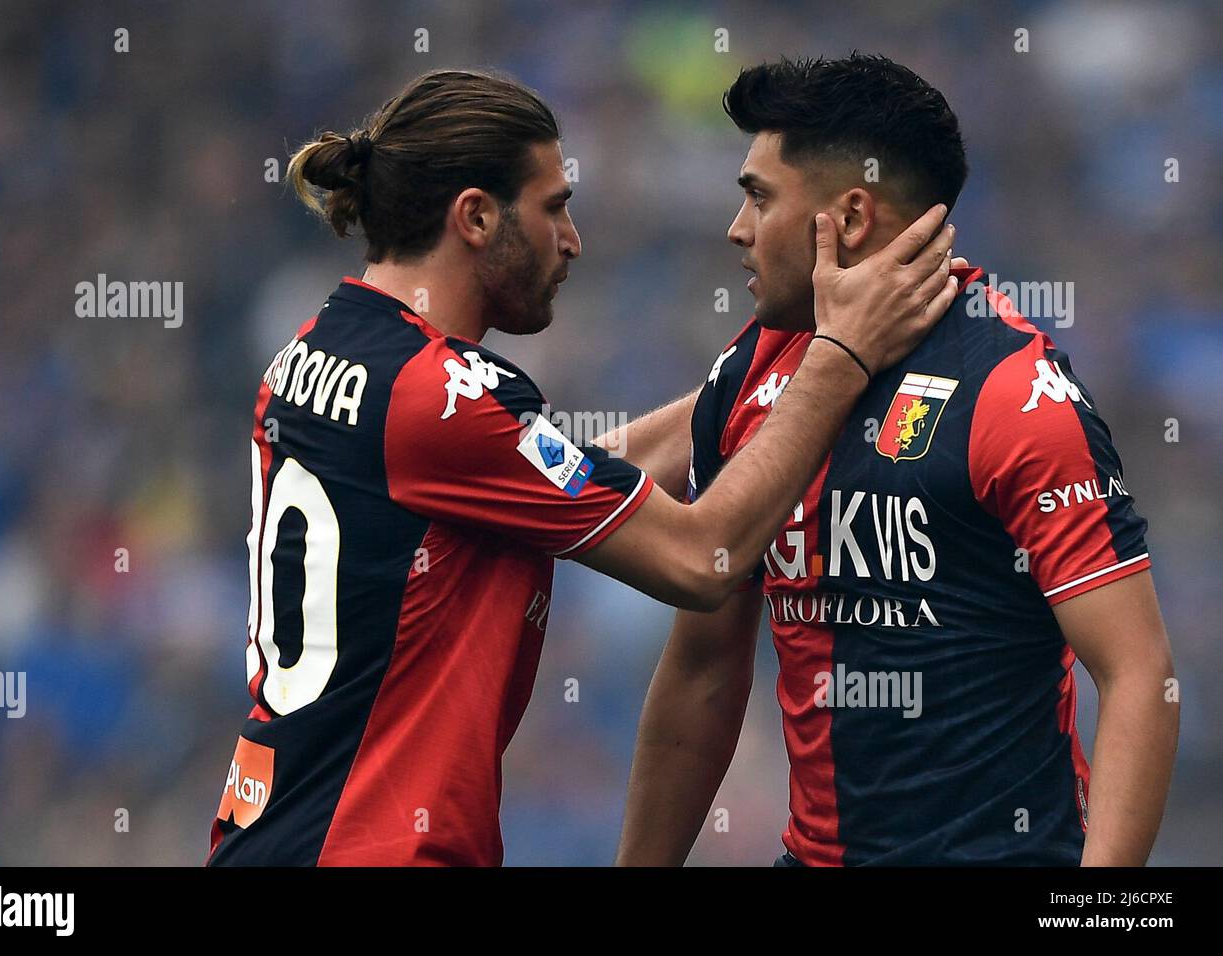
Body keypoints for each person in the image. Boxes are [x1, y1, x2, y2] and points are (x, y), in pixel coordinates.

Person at [206, 68, 959, 865]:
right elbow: (702, 557)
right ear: (475, 216)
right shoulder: (443, 397)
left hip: (269, 831)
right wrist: (839, 358)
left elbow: (560, 480)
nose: (572, 240)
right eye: (555, 207)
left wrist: (771, 374)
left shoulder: (316, 350)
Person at [616, 55, 1177, 867]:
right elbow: (704, 670)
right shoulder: (751, 377)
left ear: (848, 216)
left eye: (759, 196)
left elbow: (1138, 676)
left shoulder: (1018, 397)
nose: (737, 228)